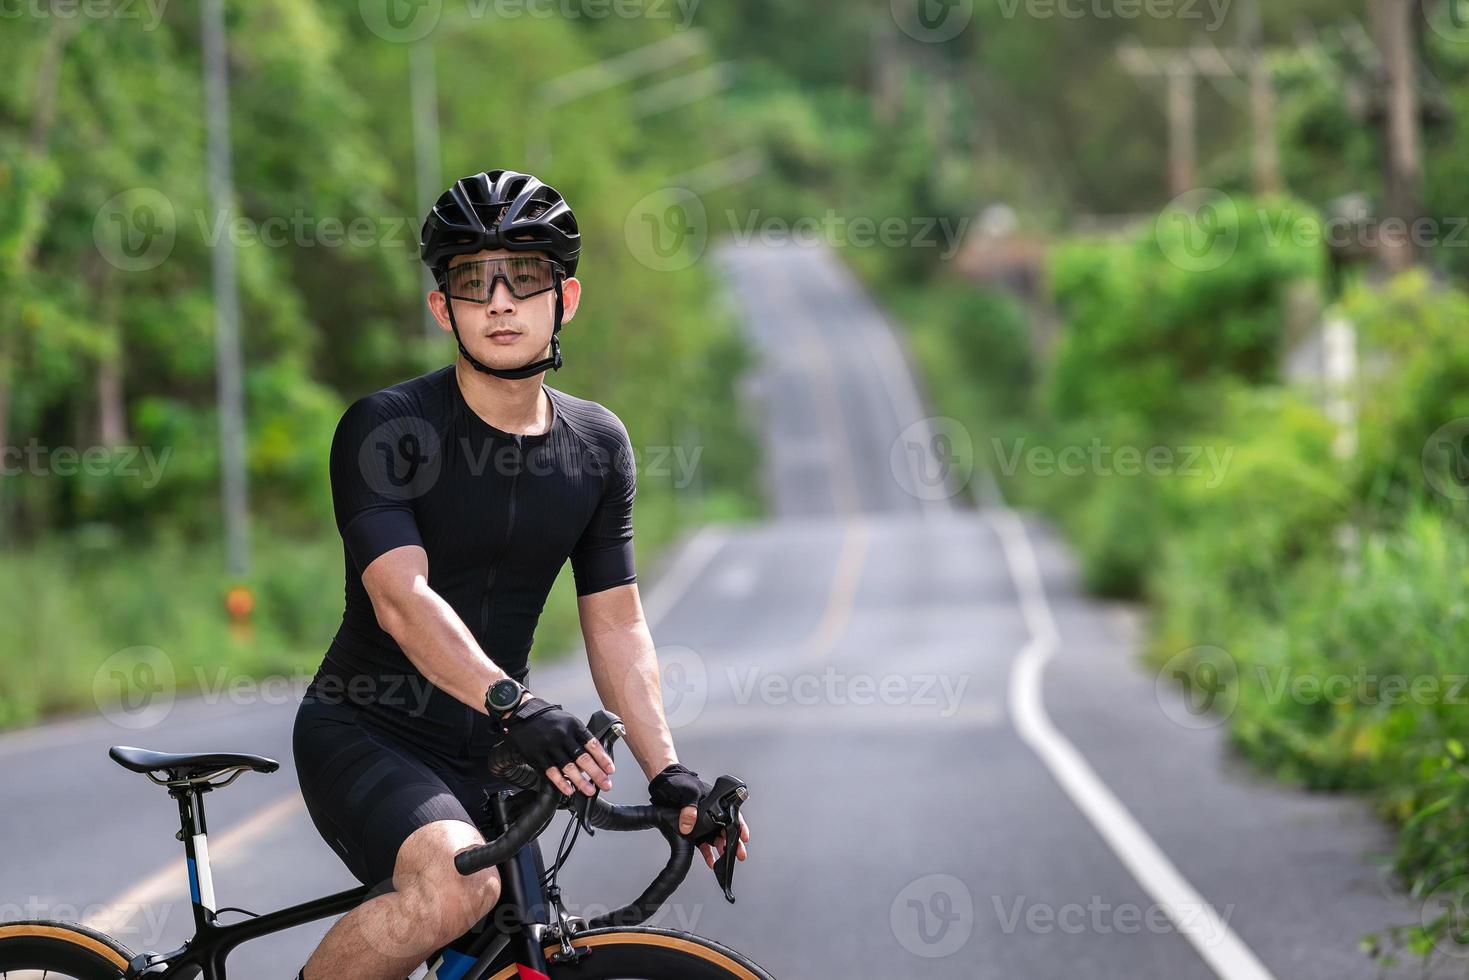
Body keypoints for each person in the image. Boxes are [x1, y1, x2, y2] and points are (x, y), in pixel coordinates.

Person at [290, 169, 749, 980]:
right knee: (453, 890)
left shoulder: (596, 444)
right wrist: (514, 699)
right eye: (472, 280)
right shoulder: (388, 428)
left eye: (524, 277)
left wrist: (666, 770)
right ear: (444, 308)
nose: (500, 300)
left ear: (563, 298)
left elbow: (616, 622)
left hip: (500, 755)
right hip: (368, 730)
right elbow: (400, 599)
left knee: (523, 946)